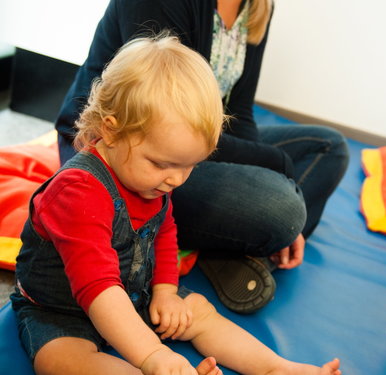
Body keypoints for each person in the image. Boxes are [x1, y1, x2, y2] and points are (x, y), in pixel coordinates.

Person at [11, 35, 342, 375]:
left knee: (198, 312)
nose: (177, 180)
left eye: (190, 166)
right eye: (162, 164)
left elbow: (165, 233)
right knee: (60, 360)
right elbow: (99, 290)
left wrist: (166, 293)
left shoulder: (153, 181)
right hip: (65, 310)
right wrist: (153, 356)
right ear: (110, 132)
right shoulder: (77, 192)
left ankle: (277, 368)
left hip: (134, 296)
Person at [55, 0, 349, 313]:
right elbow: (164, 125)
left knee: (328, 148)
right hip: (130, 148)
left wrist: (272, 172)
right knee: (285, 208)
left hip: (193, 144)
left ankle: (242, 253)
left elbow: (238, 112)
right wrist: (281, 169)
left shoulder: (257, 7)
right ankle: (245, 244)